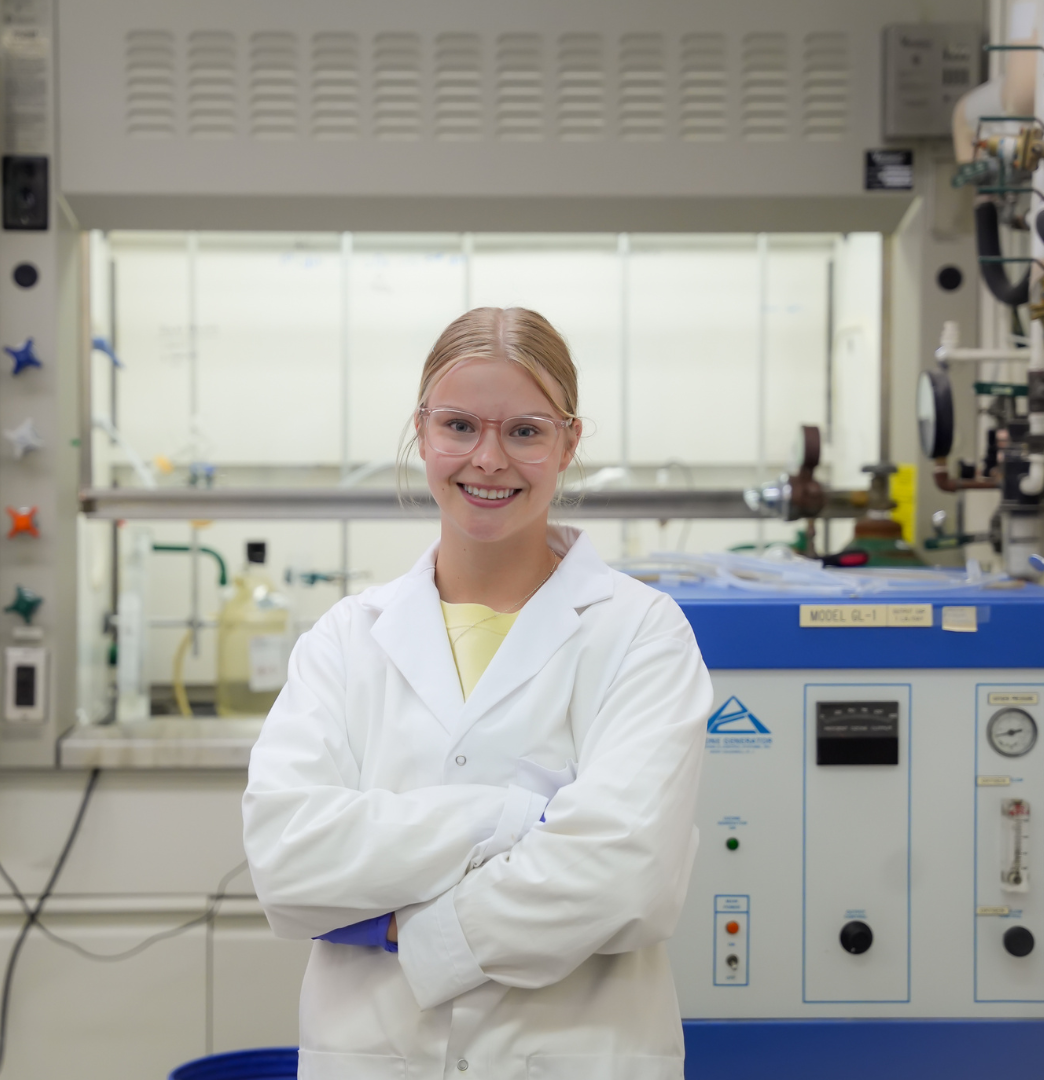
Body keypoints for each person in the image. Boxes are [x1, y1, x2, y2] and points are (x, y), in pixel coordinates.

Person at [242, 307, 712, 1080]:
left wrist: (409, 931)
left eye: (525, 431)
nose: (488, 459)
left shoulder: (641, 633)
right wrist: (506, 818)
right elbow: (287, 860)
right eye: (460, 426)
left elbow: (625, 876)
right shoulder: (345, 638)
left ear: (569, 442)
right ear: (422, 432)